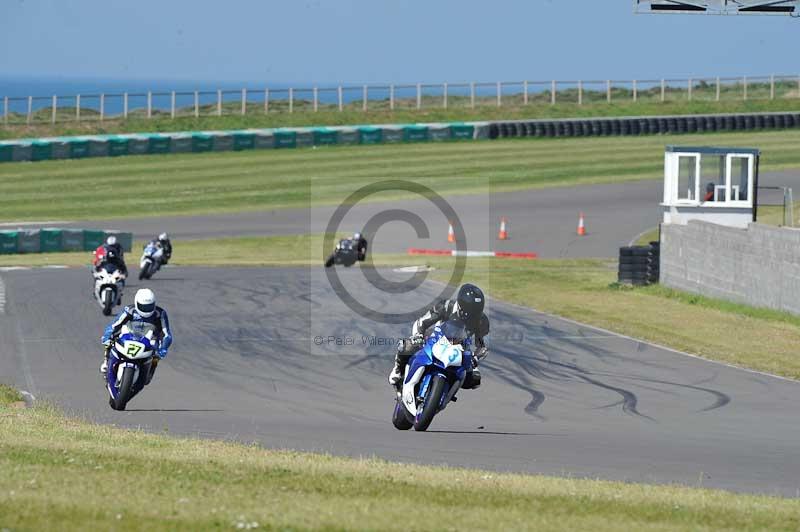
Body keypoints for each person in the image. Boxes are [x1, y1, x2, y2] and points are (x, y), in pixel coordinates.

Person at [388, 283, 489, 389]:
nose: (471, 316)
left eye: (475, 313)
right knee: (407, 346)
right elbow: (422, 322)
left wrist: (475, 358)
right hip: (436, 338)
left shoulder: (482, 321)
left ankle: (448, 392)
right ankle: (398, 369)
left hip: (461, 348)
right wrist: (418, 336)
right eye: (468, 311)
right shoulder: (446, 306)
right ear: (460, 305)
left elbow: (482, 345)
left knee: (475, 379)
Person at [99, 288, 172, 381]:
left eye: (149, 307)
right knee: (112, 340)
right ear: (136, 303)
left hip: (149, 341)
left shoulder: (160, 313)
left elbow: (167, 334)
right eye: (143, 307)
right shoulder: (129, 310)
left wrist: (163, 349)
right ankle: (106, 362)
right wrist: (107, 336)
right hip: (129, 336)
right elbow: (114, 325)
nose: (146, 310)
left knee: (156, 356)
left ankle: (150, 370)